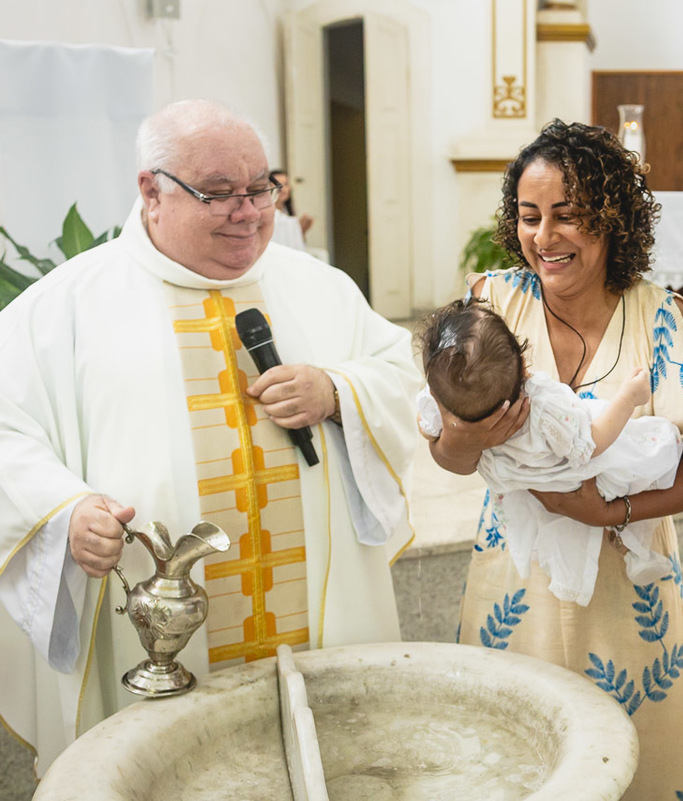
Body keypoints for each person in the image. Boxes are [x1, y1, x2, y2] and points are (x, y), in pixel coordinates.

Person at [0, 100, 422, 773]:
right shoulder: (66, 306)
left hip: (314, 628)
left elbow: (403, 377)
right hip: (150, 628)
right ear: (151, 190)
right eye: (219, 193)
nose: (250, 211)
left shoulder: (321, 287)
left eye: (262, 188)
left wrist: (337, 391)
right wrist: (63, 512)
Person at [429, 119, 683, 799]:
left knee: (634, 764)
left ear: (612, 218)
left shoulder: (665, 316)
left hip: (630, 592)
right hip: (515, 580)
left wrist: (609, 508)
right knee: (512, 758)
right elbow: (445, 453)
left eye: (567, 215)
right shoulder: (491, 304)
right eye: (529, 217)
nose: (544, 237)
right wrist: (470, 439)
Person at [416, 298, 683, 606]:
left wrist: (456, 424)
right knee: (638, 457)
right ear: (523, 363)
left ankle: (629, 551)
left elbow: (427, 427)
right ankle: (633, 549)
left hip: (523, 487)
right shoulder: (544, 406)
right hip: (571, 472)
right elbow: (591, 444)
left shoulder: (446, 403)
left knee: (557, 531)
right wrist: (628, 398)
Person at [269, 168, 313, 251]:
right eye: (278, 185)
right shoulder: (270, 216)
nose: (283, 189)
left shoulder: (287, 213)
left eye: (285, 184)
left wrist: (302, 230)